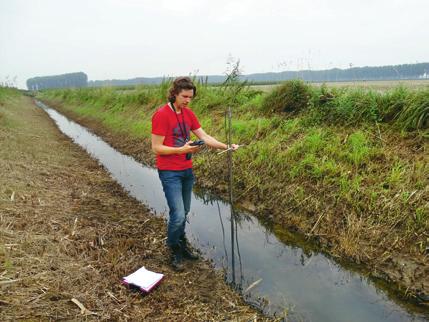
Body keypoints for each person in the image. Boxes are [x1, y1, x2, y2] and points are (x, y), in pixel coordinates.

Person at [151, 77, 238, 271]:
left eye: (190, 97)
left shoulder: (188, 114)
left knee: (185, 212)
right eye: (184, 96)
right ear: (174, 93)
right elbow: (156, 147)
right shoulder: (161, 115)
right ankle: (174, 251)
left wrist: (226, 146)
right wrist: (181, 150)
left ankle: (181, 244)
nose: (187, 100)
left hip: (186, 171)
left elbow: (204, 137)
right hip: (169, 172)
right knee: (178, 215)